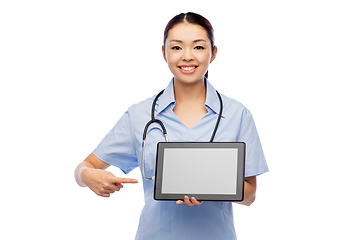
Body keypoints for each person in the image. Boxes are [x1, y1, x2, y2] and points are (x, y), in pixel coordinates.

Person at [75, 12, 268, 240]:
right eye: (176, 48)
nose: (187, 56)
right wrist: (86, 176)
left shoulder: (238, 114)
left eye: (198, 47)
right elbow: (86, 166)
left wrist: (210, 187)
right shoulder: (139, 114)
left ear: (213, 53)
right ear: (164, 53)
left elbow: (250, 195)